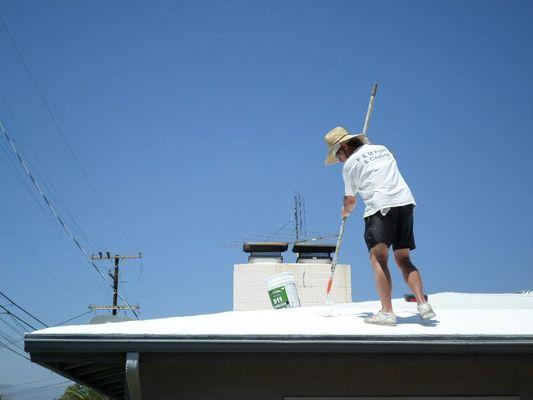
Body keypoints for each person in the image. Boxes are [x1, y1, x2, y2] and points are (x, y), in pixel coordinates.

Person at [324, 126, 436, 326]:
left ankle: (387, 312)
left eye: (337, 153)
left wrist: (345, 212)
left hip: (380, 207)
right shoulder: (383, 149)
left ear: (345, 146)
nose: (339, 159)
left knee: (379, 258)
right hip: (405, 203)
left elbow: (351, 201)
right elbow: (387, 157)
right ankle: (422, 303)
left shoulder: (349, 166)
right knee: (403, 258)